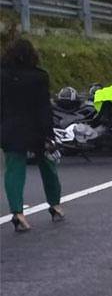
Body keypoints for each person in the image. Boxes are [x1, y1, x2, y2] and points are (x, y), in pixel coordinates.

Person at [1, 37, 64, 232]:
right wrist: (49, 134)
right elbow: (44, 107)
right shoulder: (39, 76)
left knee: (14, 170)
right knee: (47, 166)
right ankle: (55, 205)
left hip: (9, 127)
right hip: (35, 128)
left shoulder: (2, 75)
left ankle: (18, 213)